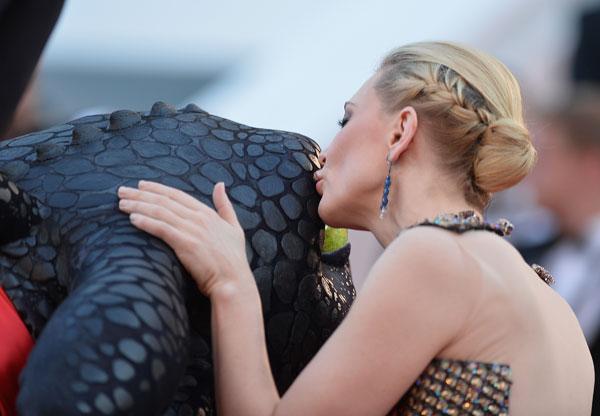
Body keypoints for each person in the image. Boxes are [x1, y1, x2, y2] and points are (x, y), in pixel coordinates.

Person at [117, 41, 594, 415]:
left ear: (401, 131)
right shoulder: (548, 302)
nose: (323, 151)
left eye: (345, 118)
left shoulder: (433, 257)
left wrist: (230, 282)